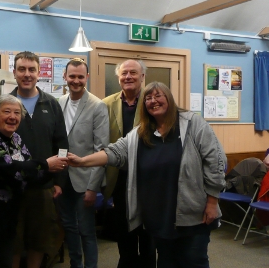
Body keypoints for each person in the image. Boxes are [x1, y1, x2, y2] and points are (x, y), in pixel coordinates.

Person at [68, 82, 226, 268]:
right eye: (148, 98)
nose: (153, 101)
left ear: (169, 98)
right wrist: (82, 161)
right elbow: (114, 153)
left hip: (192, 213)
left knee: (194, 260)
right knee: (166, 262)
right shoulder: (139, 133)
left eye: (158, 96)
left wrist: (212, 202)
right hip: (158, 215)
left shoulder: (192, 124)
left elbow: (215, 160)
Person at [0, 95, 60, 268]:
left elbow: (28, 171)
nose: (12, 117)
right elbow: (13, 168)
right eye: (6, 111)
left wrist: (55, 170)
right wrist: (46, 164)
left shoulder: (16, 139)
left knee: (4, 261)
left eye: (17, 112)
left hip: (8, 216)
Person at [10, 51, 69, 268]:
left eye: (31, 69)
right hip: (12, 188)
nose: (27, 74)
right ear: (14, 73)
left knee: (40, 240)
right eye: (22, 69)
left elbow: (62, 145)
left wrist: (59, 181)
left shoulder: (51, 104)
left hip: (44, 186)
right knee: (13, 242)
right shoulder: (4, 104)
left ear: (38, 73)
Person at [102, 59, 156, 268]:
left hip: (147, 181)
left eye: (133, 73)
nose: (128, 77)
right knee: (124, 236)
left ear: (142, 77)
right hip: (119, 180)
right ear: (118, 78)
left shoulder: (153, 102)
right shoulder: (106, 104)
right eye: (124, 73)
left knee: (148, 237)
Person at [57, 58, 109, 268]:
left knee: (86, 230)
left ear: (86, 77)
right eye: (72, 76)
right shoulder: (60, 102)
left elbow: (101, 150)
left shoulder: (98, 106)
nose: (76, 81)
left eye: (80, 77)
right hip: (63, 177)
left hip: (85, 181)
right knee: (69, 227)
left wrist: (92, 188)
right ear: (65, 77)